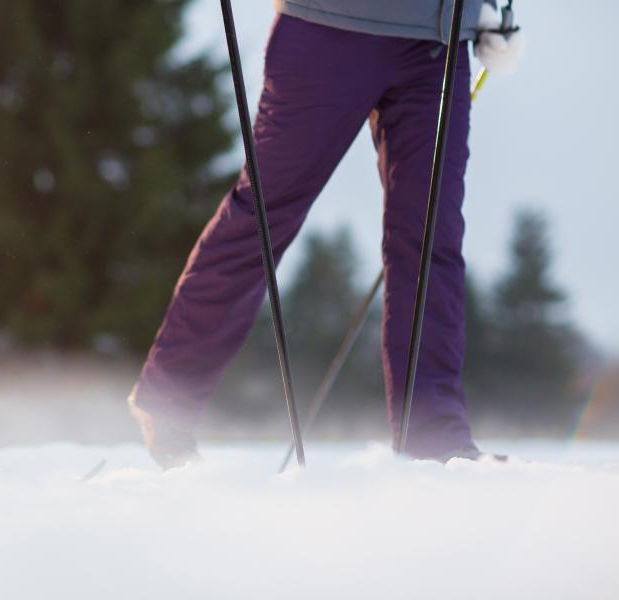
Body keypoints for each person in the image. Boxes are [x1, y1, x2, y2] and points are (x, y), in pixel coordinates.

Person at [129, 0, 523, 469]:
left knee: (432, 236)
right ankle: (169, 393)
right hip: (325, 26)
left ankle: (434, 436)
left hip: (438, 42)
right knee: (263, 215)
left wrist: (490, 10)